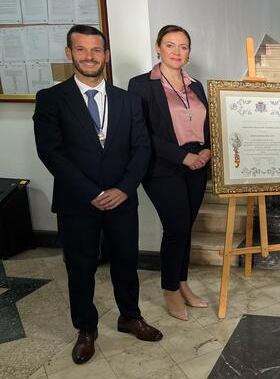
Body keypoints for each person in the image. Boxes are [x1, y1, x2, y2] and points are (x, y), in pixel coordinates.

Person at [33, 25, 163, 365]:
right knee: (80, 267)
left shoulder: (129, 100)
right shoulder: (51, 99)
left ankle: (130, 317)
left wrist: (124, 188)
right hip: (77, 202)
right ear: (69, 53)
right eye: (81, 49)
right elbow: (51, 153)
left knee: (126, 262)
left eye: (96, 50)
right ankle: (86, 328)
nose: (89, 56)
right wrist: (91, 192)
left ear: (106, 55)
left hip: (122, 200)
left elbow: (142, 147)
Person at [128, 25, 210, 321]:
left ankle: (182, 282)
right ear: (158, 48)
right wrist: (182, 156)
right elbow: (142, 132)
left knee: (185, 228)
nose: (177, 52)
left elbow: (207, 123)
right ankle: (170, 289)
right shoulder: (141, 85)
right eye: (170, 45)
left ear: (189, 52)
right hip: (162, 166)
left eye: (183, 46)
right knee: (175, 228)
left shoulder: (196, 85)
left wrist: (207, 150)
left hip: (197, 165)